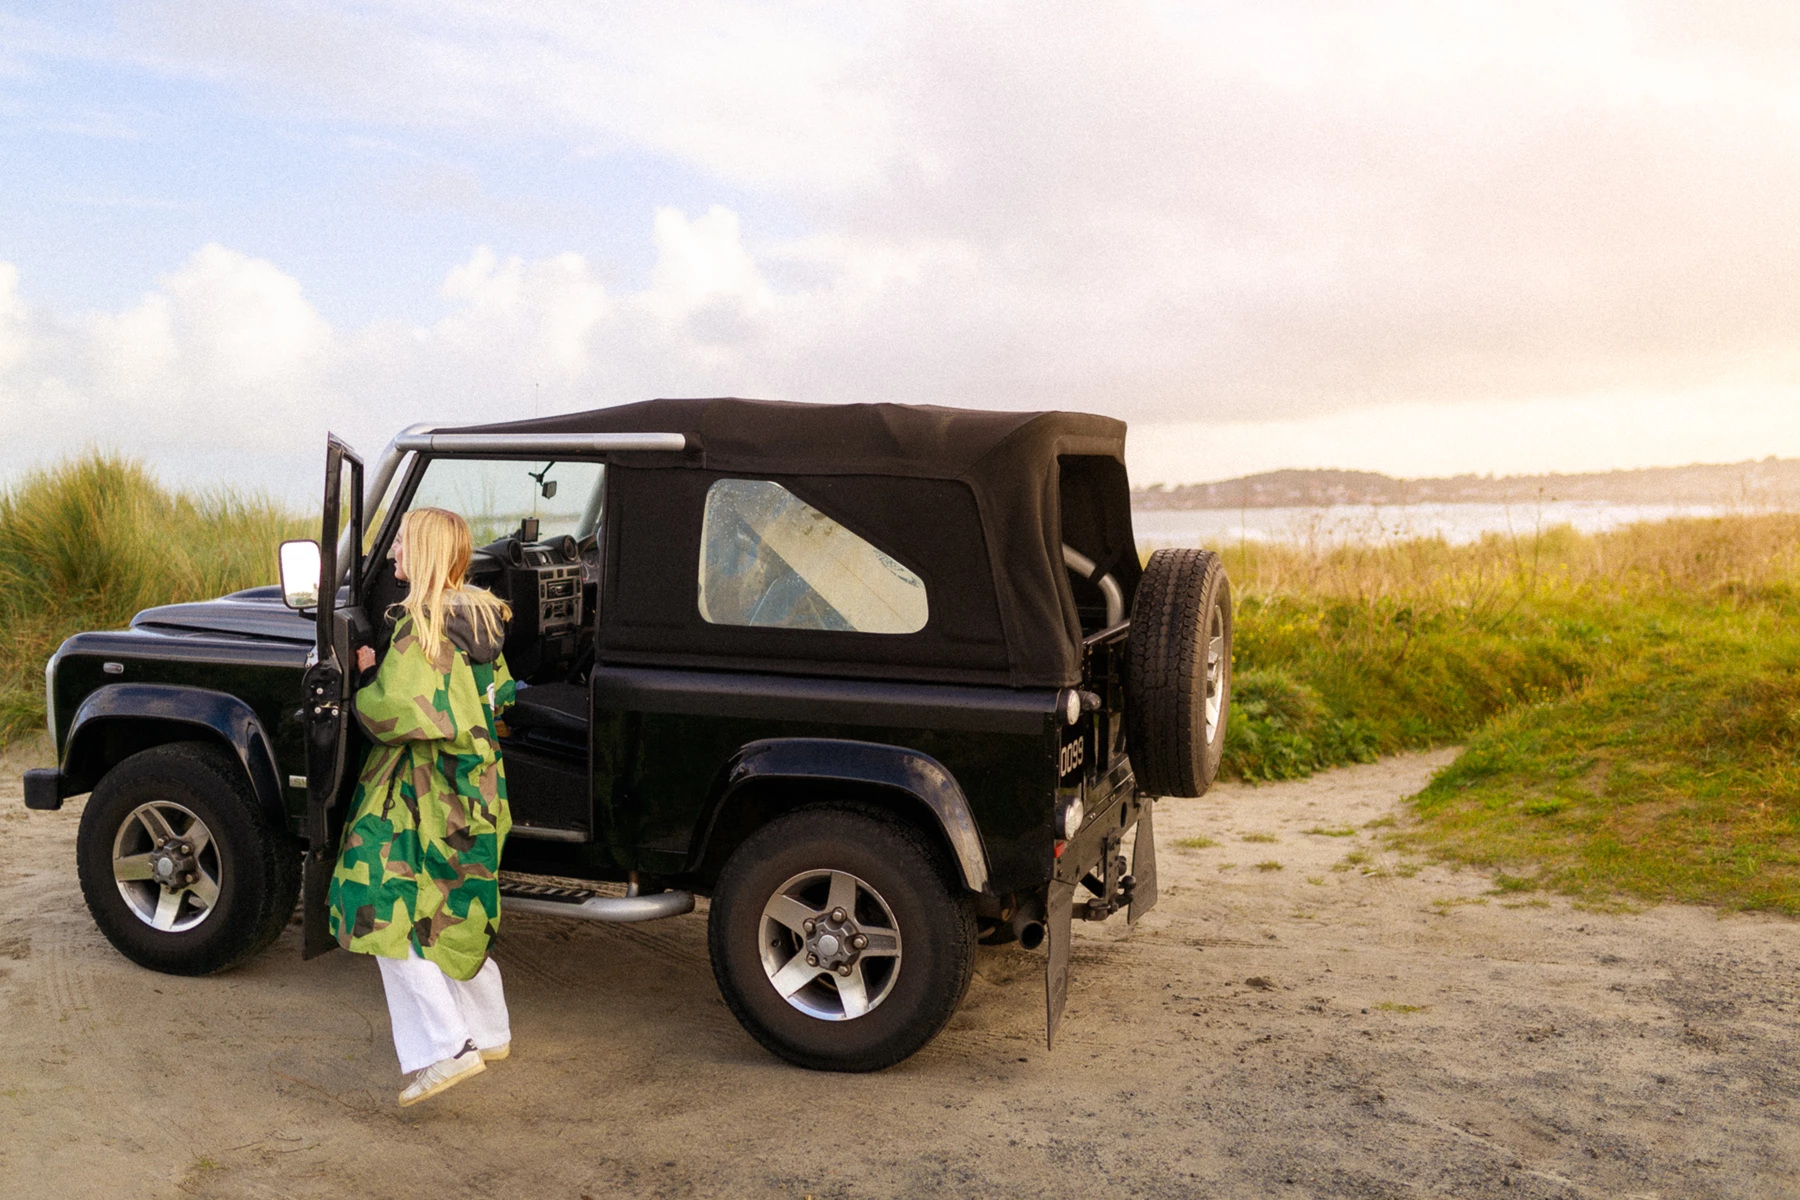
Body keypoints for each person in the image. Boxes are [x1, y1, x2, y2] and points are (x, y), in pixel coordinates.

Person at [327, 506, 518, 1107]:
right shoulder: (479, 616)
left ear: (429, 551)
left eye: (403, 544)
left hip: (420, 796)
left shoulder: (421, 628)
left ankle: (446, 1049)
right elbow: (500, 699)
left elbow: (394, 716)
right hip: (476, 792)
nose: (393, 555)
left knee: (379, 908)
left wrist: (365, 678)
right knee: (456, 906)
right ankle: (488, 1033)